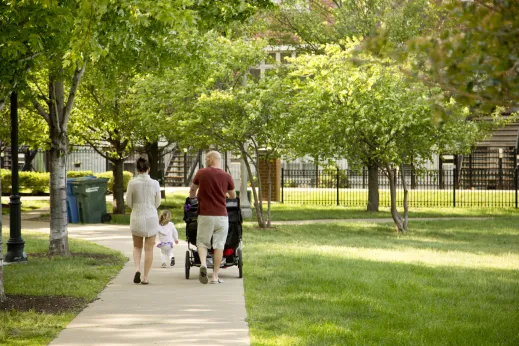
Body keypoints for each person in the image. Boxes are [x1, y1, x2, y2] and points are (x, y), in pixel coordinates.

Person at [189, 151, 236, 284]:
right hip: (221, 216)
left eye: (206, 158)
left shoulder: (201, 173)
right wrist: (224, 195)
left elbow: (193, 190)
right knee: (219, 245)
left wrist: (192, 197)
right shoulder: (226, 176)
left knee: (202, 243)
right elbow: (233, 196)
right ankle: (215, 276)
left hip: (205, 215)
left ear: (210, 159)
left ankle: (203, 264)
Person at [125, 157, 161, 285]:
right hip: (151, 217)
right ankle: (145, 277)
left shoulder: (132, 183)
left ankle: (137, 269)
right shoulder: (155, 183)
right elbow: (158, 203)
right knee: (149, 249)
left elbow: (128, 202)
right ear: (148, 169)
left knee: (137, 246)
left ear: (137, 169)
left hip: (137, 216)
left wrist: (136, 207)